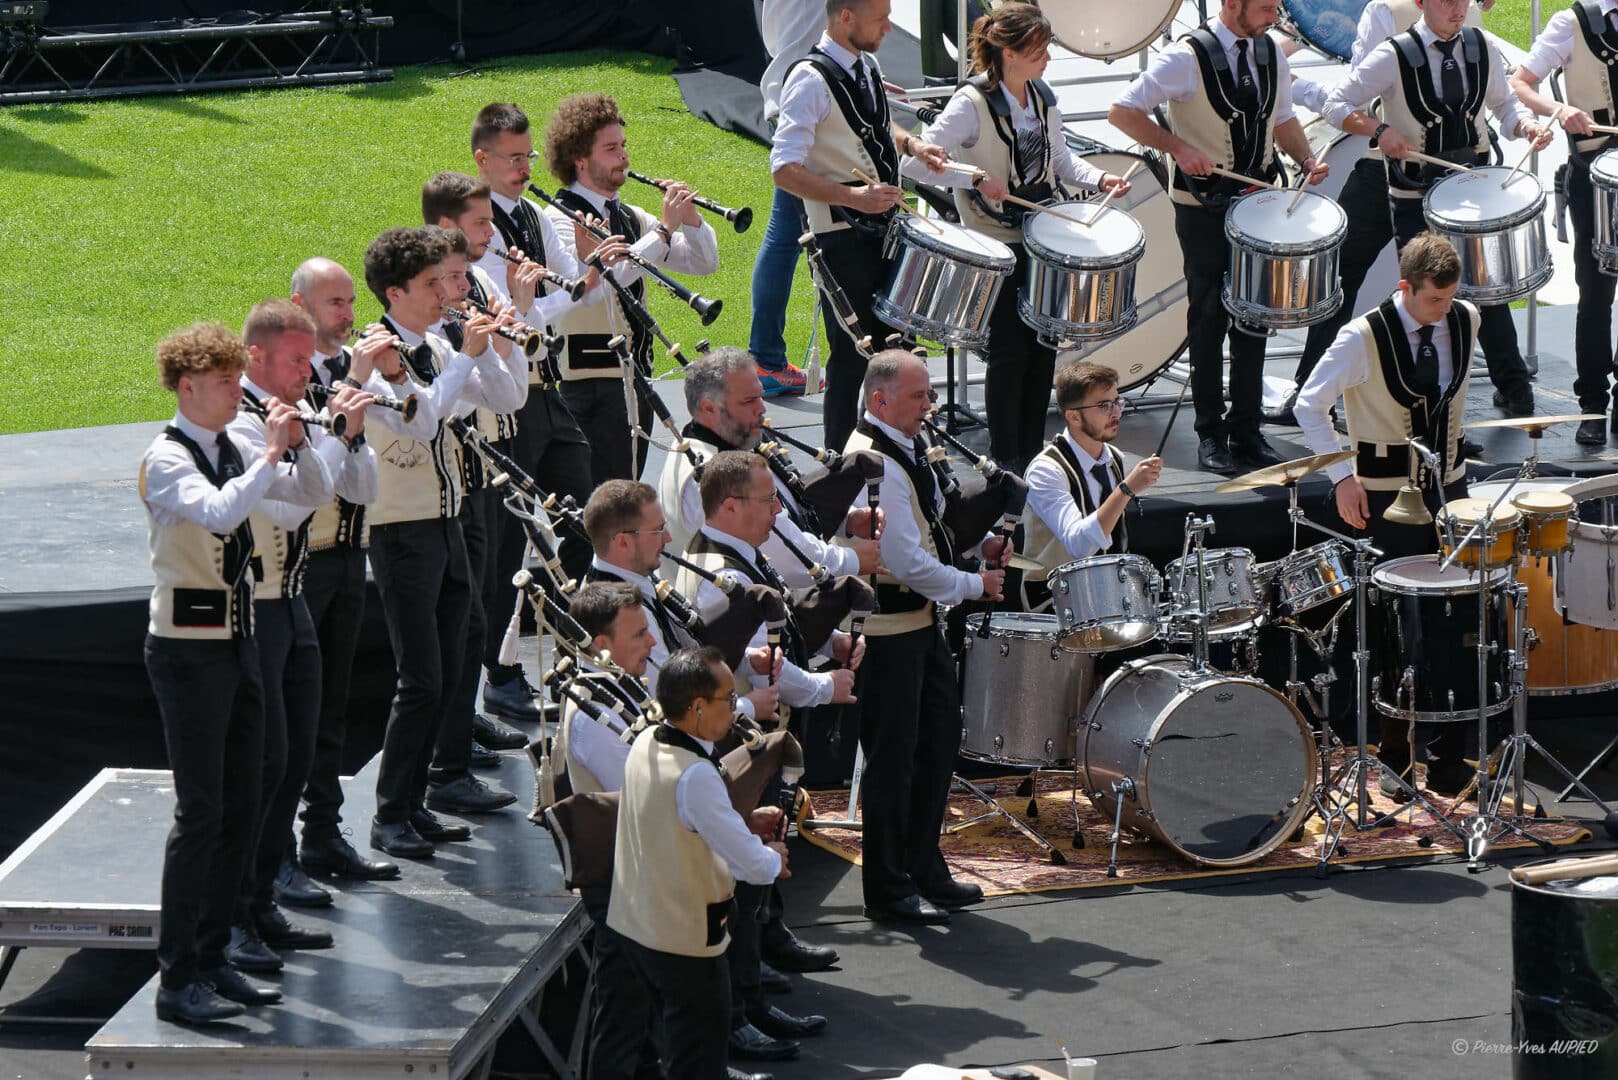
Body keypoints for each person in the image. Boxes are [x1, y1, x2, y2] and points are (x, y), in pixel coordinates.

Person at [138, 322, 317, 1023]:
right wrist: (271, 454)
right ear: (188, 387)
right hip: (187, 653)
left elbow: (289, 504)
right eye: (222, 383)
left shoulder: (230, 446)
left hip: (239, 642)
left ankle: (215, 958)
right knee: (201, 811)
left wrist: (302, 452)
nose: (235, 392)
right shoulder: (168, 457)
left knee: (246, 796)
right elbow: (218, 514)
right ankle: (177, 976)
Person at [899, 2, 1130, 474]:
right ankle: (1006, 455)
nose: (1048, 57)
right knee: (1008, 351)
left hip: (1041, 242)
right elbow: (916, 164)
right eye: (1040, 48)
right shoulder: (971, 103)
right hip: (995, 245)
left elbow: (1063, 162)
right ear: (1009, 52)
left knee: (1043, 347)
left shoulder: (1042, 97)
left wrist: (1099, 180)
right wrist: (975, 178)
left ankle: (1031, 452)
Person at [1294, 231, 1479, 795]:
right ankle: (1394, 756)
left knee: (1455, 624)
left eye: (1449, 299)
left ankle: (1450, 758)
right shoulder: (1361, 337)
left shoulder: (1469, 319)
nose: (1443, 310)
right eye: (1433, 301)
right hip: (1384, 500)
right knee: (1398, 630)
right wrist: (1342, 477)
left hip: (1449, 491)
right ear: (1405, 288)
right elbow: (1309, 404)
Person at [360, 226, 525, 860]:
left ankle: (422, 799)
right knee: (422, 677)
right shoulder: (375, 356)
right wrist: (465, 356)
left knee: (458, 654)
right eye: (432, 285)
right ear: (395, 292)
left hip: (446, 518)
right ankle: (390, 813)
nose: (444, 294)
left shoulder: (433, 342)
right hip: (401, 532)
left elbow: (508, 397)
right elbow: (424, 419)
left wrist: (497, 346)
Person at [1109, 0, 1329, 474]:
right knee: (1208, 317)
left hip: (1258, 204)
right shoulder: (1185, 57)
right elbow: (1122, 112)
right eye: (1267, 7)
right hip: (1202, 205)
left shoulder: (1271, 52)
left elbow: (1284, 119)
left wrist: (1307, 159)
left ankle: (1248, 431)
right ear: (1233, 4)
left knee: (1255, 315)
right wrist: (1178, 148)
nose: (1274, 16)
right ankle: (1210, 433)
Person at [223, 300, 375, 976]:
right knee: (257, 766)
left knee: (292, 756)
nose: (304, 372)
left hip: (292, 604)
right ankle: (235, 916)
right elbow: (284, 504)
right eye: (293, 360)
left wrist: (339, 437)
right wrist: (296, 445)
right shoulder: (234, 424)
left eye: (308, 359)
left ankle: (260, 899)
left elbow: (331, 490)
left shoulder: (290, 413)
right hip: (251, 609)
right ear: (255, 357)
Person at [1319, 0, 1551, 423]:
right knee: (1427, 303)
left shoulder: (1481, 45)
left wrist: (1526, 126)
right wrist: (1379, 130)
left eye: (1462, 0)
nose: (1457, 9)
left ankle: (1505, 392)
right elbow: (1336, 104)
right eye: (1446, 1)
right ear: (1421, 3)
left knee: (1484, 289)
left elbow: (1503, 106)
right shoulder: (1392, 53)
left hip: (1470, 188)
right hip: (1413, 194)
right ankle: (1421, 410)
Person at [841, 350, 1006, 923]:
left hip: (920, 628)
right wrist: (974, 581)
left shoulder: (907, 449)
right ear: (879, 400)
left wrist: (975, 549)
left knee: (936, 747)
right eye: (919, 396)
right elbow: (903, 560)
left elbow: (930, 534)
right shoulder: (870, 461)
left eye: (930, 393)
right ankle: (887, 888)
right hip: (886, 636)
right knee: (891, 763)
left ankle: (923, 865)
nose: (930, 405)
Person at [471, 102, 623, 721]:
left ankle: (574, 648)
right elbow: (519, 310)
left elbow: (565, 288)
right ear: (482, 159)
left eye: (529, 156)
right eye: (512, 158)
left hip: (548, 390)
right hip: (509, 398)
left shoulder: (535, 213)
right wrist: (550, 296)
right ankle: (497, 671)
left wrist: (568, 283)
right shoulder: (477, 229)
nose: (524, 168)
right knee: (507, 542)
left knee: (584, 515)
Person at [1269, 0, 1487, 429]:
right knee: (1449, 285)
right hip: (1437, 173)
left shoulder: (1384, 11)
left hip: (1393, 169)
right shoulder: (1470, 11)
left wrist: (1298, 87)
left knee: (1347, 276)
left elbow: (1357, 100)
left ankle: (1314, 393)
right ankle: (1483, 396)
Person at [770, 0, 949, 452]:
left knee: (898, 350)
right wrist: (855, 197)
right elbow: (783, 169)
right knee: (854, 359)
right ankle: (839, 464)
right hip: (840, 239)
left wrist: (912, 145)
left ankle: (897, 454)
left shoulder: (865, 66)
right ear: (846, 16)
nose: (890, 27)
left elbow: (872, 128)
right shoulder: (808, 80)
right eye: (881, 18)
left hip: (884, 234)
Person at [604, 647, 790, 1080]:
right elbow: (751, 865)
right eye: (729, 698)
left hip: (635, 927)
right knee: (698, 1061)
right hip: (686, 941)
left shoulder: (646, 739)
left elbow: (677, 822)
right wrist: (771, 856)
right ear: (697, 707)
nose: (735, 707)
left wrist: (741, 826)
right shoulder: (696, 774)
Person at [289, 258, 413, 885]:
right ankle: (278, 854)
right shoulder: (291, 382)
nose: (347, 313)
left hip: (348, 553)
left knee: (331, 702)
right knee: (295, 709)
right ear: (299, 304)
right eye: (334, 302)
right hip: (302, 563)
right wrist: (350, 409)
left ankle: (322, 835)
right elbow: (315, 482)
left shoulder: (345, 375)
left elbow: (365, 481)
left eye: (347, 301)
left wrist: (374, 388)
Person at [424, 173, 549, 742]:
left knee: (493, 582)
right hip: (449, 474)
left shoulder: (477, 284)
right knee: (462, 604)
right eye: (480, 222)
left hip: (492, 452)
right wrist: (484, 345)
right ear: (446, 227)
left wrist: (514, 319)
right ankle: (458, 723)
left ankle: (473, 706)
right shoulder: (429, 307)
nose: (492, 231)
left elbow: (511, 393)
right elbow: (437, 406)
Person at [543, 92, 720, 482]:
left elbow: (704, 263)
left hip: (635, 382)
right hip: (590, 386)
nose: (623, 156)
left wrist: (691, 220)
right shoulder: (556, 220)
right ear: (580, 159)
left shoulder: (630, 218)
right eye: (610, 149)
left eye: (623, 146)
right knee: (609, 506)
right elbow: (592, 292)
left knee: (628, 495)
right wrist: (664, 230)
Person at [658, 347, 883, 589]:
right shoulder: (709, 476)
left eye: (760, 397)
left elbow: (788, 505)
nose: (762, 409)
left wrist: (845, 520)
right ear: (709, 408)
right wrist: (853, 560)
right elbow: (787, 559)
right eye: (748, 401)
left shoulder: (731, 439)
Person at [1511, 0, 1618, 444]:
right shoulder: (1571, 23)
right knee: (1595, 292)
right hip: (1595, 177)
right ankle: (1592, 403)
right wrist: (1559, 109)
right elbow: (1519, 82)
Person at [1022, 361, 1162, 604]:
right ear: (1074, 417)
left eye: (1117, 401)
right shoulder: (1045, 471)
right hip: (1058, 603)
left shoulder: (1114, 457)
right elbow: (1079, 545)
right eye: (1104, 406)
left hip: (1112, 593)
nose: (1116, 412)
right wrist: (1126, 489)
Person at [751, 0, 826, 398]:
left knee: (785, 238)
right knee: (786, 240)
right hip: (806, 106)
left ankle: (766, 358)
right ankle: (765, 358)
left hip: (792, 98)